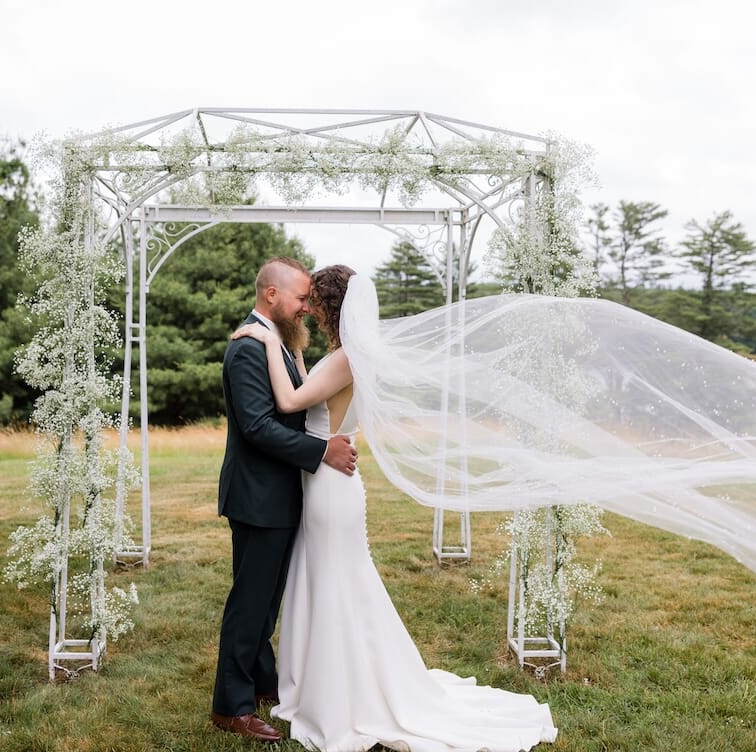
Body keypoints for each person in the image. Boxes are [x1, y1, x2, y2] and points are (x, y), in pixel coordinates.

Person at [232, 264, 558, 752]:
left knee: (339, 584)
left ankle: (346, 692)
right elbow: (308, 399)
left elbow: (289, 399)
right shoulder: (345, 355)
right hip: (327, 483)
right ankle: (320, 682)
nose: (306, 309)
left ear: (328, 306)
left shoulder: (343, 359)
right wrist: (292, 348)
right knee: (326, 582)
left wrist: (263, 339)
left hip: (328, 487)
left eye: (312, 301)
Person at [210, 257, 358, 744]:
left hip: (280, 494)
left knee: (266, 599)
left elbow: (292, 405)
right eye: (298, 298)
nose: (303, 307)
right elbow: (257, 427)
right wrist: (322, 451)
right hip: (258, 496)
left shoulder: (276, 344)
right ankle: (230, 705)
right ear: (271, 296)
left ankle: (262, 682)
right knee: (249, 603)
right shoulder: (248, 348)